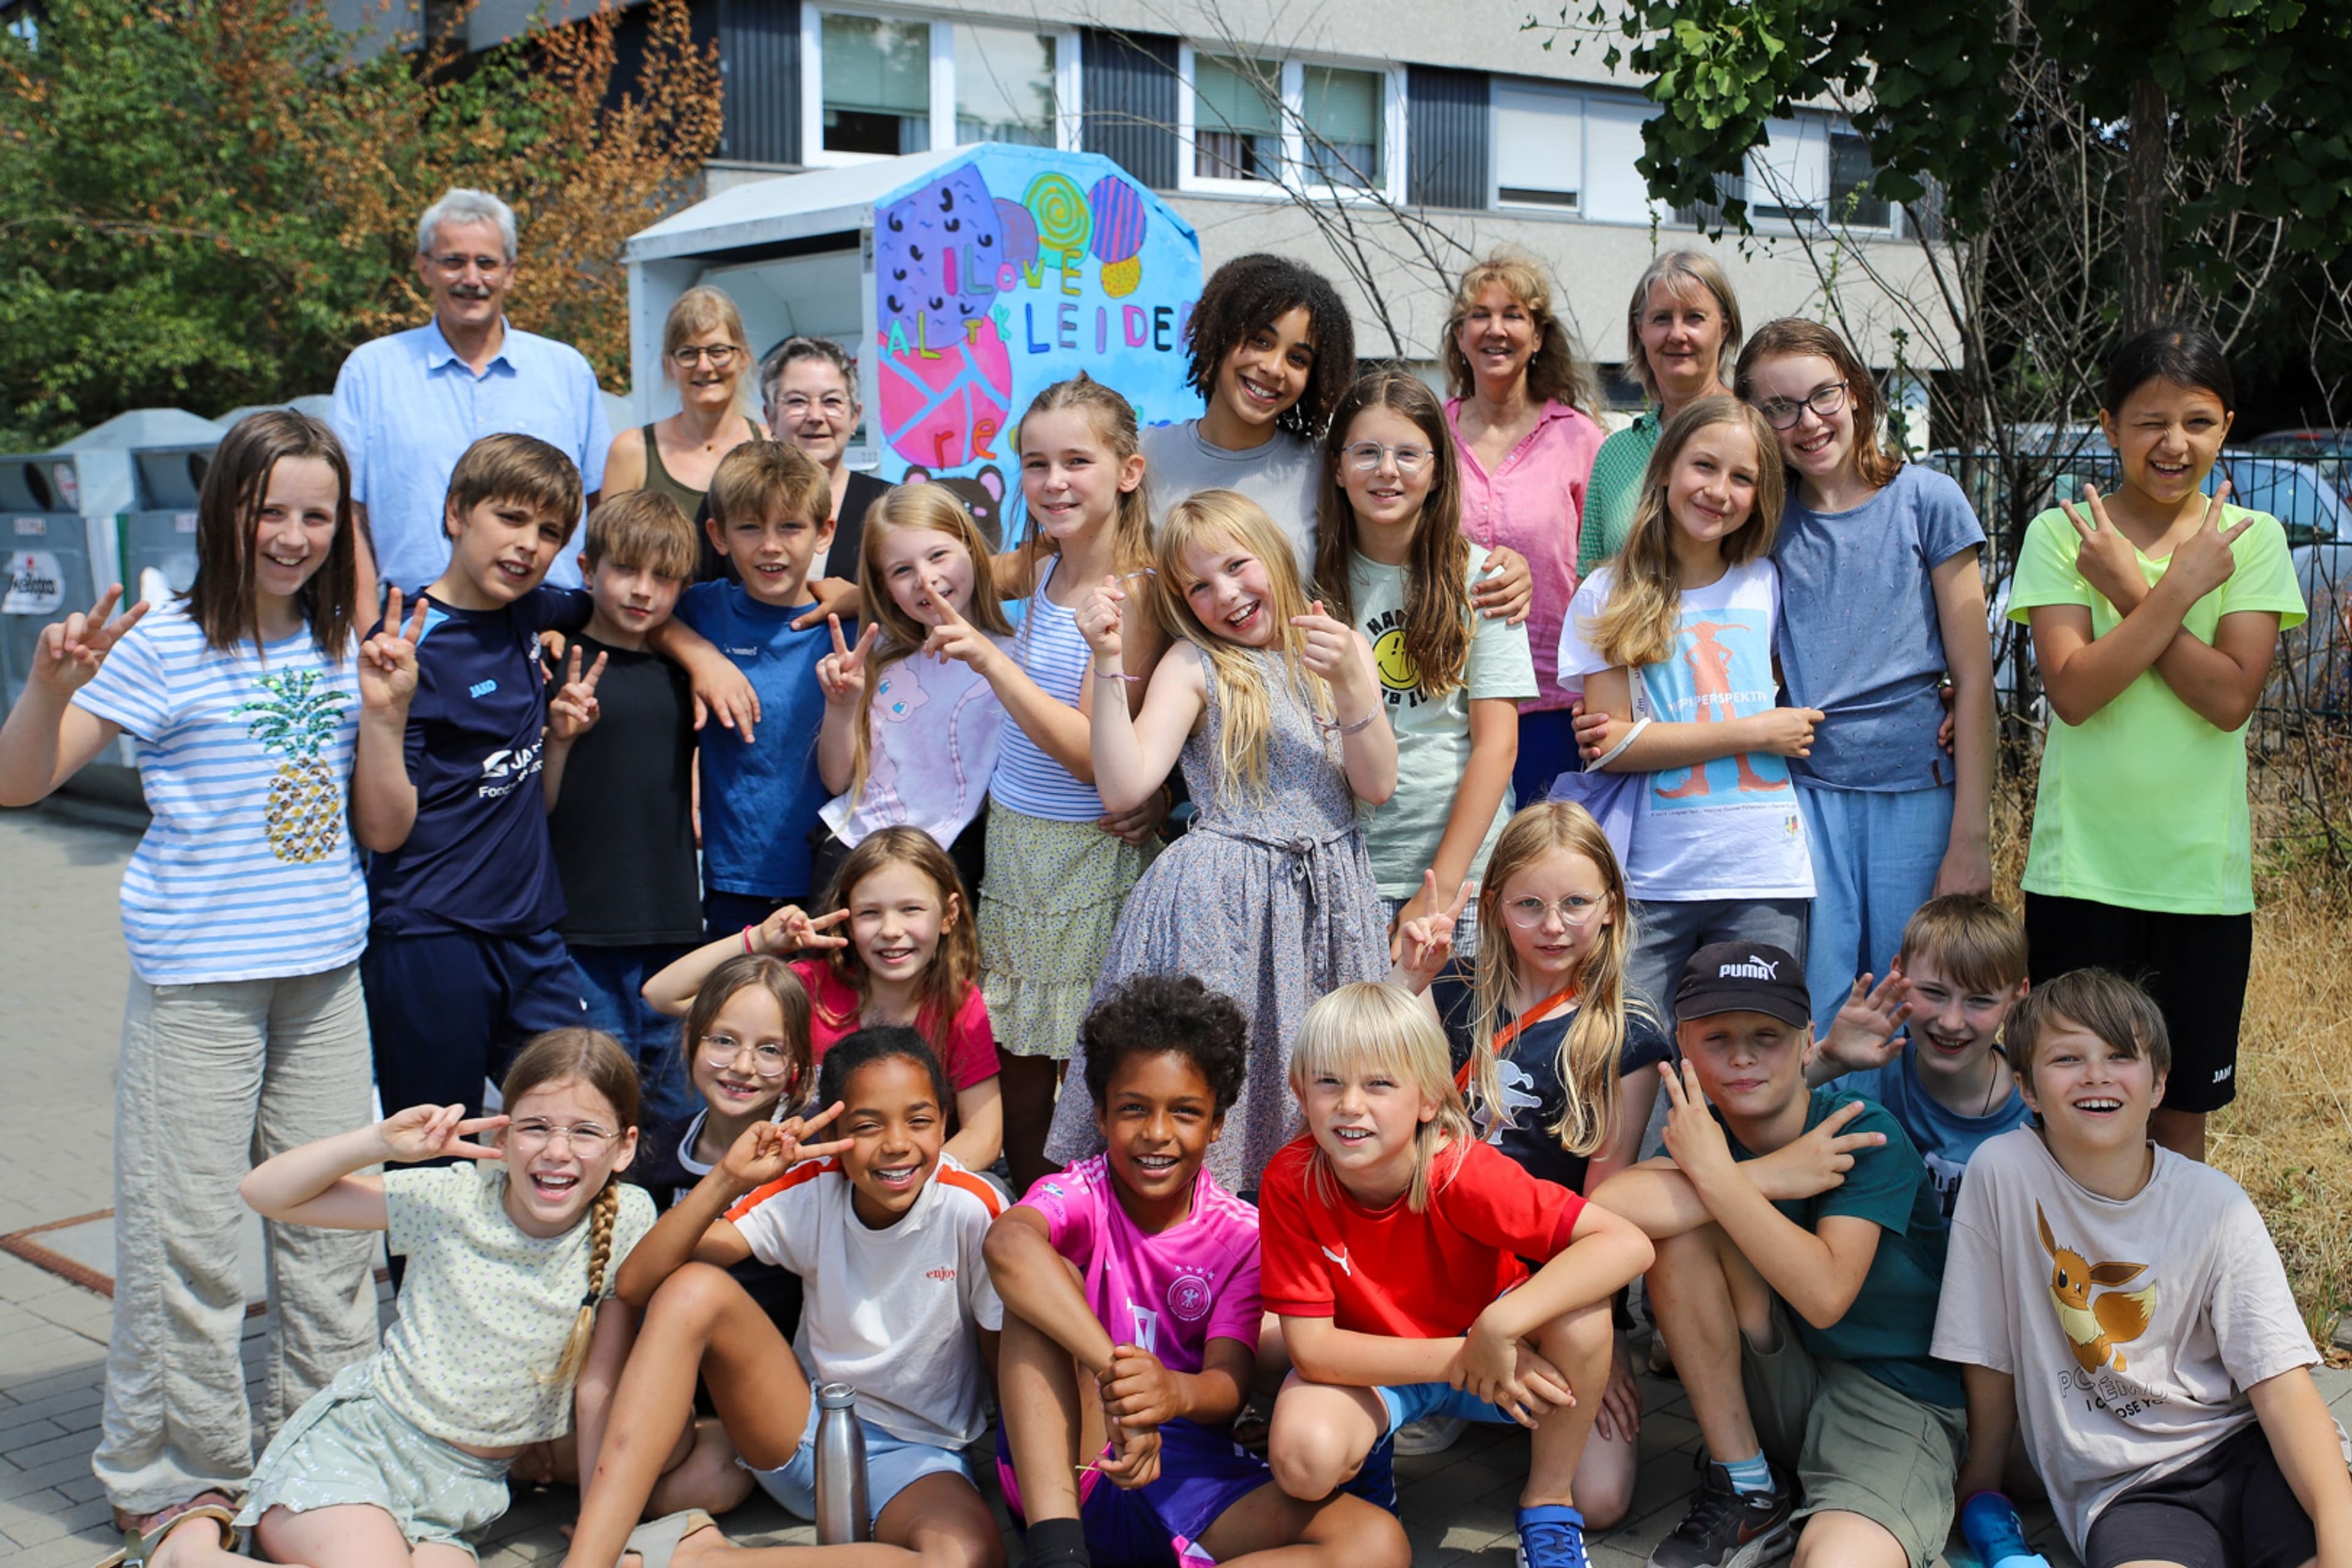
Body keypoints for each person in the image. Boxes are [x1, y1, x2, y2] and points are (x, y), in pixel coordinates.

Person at [0, 412, 380, 1547]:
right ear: (226, 513)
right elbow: (21, 786)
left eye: (318, 515)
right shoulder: (162, 640)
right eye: (273, 511)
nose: (295, 536)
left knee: (333, 1240)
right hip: (201, 983)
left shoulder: (339, 640)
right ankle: (176, 1477)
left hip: (325, 975)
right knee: (192, 1240)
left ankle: (334, 1443)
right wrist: (46, 690)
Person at [149, 1030, 655, 1568]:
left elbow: (597, 1392)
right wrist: (378, 1145)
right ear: (503, 1137)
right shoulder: (450, 1197)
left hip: (459, 1497)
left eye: (584, 1132)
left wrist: (599, 1537)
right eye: (536, 1127)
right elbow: (264, 1193)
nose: (557, 1150)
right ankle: (190, 1553)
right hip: (359, 1456)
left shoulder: (629, 1216)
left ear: (623, 1147)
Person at [351, 434, 741, 1123]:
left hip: (532, 934)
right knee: (436, 1144)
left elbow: (629, 610)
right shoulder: (410, 643)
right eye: (510, 518)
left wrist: (701, 653)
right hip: (432, 934)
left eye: (549, 531)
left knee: (586, 1112)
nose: (529, 544)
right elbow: (383, 830)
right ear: (455, 514)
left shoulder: (532, 611)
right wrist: (383, 719)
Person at [987, 973, 1410, 1568]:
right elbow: (1007, 1243)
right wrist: (1121, 1384)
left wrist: (1168, 1393)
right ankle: (1059, 1555)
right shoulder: (1079, 1194)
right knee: (1040, 1275)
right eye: (1134, 1109)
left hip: (1187, 1468)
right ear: (1103, 1115)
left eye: (1185, 1112)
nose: (1157, 1133)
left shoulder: (1242, 1234)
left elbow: (1228, 1386)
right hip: (1069, 1466)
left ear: (1215, 1125)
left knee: (1377, 1542)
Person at [1934, 969, 2352, 1568]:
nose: (2096, 1074)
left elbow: (2285, 1392)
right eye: (2068, 1057)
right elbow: (1989, 1358)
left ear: (2158, 1084)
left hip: (2251, 1450)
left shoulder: (2216, 1205)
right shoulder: (2003, 1172)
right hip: (2131, 1489)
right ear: (2025, 1087)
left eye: (2119, 1055)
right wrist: (1980, 1486)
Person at [2008, 323, 2305, 1163]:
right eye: (2150, 421)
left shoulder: (2251, 542)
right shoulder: (2064, 536)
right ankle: (2063, 1286)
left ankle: (2166, 1292)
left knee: (2178, 1118)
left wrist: (2139, 591)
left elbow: (2228, 698)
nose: (2175, 444)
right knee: (2070, 1103)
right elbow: (2074, 692)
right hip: (2080, 875)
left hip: (2200, 884)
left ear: (2226, 426)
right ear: (2109, 426)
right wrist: (2175, 593)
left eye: (2199, 422)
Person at [1049, 492, 1396, 1193]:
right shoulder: (1193, 662)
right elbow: (1125, 785)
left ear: (1272, 552)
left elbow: (1378, 785)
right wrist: (1108, 659)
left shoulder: (1342, 647)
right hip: (1221, 910)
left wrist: (1354, 687)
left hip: (1327, 903)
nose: (1227, 594)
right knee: (1209, 1088)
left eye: (1238, 566)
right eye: (1199, 586)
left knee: (1334, 1086)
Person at [557, 1030, 1008, 1568]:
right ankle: (589, 1558)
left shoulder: (972, 1209)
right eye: (867, 1126)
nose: (896, 1144)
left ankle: (698, 1561)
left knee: (966, 1558)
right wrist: (727, 1178)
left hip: (916, 1461)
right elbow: (636, 1286)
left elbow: (1003, 1357)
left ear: (944, 1120)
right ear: (835, 1130)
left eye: (919, 1120)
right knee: (691, 1288)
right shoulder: (812, 1184)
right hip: (802, 1435)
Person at [1257, 983, 1654, 1568]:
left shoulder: (1462, 1169)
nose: (1351, 1105)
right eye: (1329, 1081)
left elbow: (1628, 1243)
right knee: (1302, 1458)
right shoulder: (1290, 1178)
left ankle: (1548, 1506)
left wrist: (1500, 1325)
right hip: (1387, 1369)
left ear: (1429, 1099)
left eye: (1380, 1083)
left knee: (1584, 1316)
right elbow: (1314, 1351)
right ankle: (1370, 1481)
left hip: (1499, 1360)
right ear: (1300, 1092)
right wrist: (1466, 1354)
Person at [1593, 943, 1959, 1568]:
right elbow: (1607, 1205)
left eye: (1767, 1035)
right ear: (1684, 1043)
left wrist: (1723, 1180)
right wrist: (1763, 1176)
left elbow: (1824, 1294)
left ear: (1807, 1040)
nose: (1742, 1056)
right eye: (1718, 1038)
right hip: (1781, 1383)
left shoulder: (1857, 1128)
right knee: (1679, 1229)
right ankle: (1748, 1488)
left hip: (1893, 1399)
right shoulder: (1707, 1140)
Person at [1384, 801, 1675, 1496]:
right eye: (1529, 904)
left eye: (1576, 902)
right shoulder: (1449, 986)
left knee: (1600, 1501)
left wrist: (1606, 1346)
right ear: (1493, 906)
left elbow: (1603, 1201)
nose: (1552, 925)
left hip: (1536, 1278)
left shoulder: (1624, 1031)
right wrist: (1407, 985)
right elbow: (1386, 1108)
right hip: (1431, 1254)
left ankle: (1510, 1384)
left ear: (1611, 906)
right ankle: (1445, 1376)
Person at [1735, 318, 1996, 1030]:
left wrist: (1971, 834)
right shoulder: (1761, 520)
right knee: (1822, 1001)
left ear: (1855, 392)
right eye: (1778, 408)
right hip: (1807, 793)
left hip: (1918, 789)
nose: (1808, 421)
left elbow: (1974, 678)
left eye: (1823, 395)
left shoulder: (1928, 499)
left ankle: (1918, 1146)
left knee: (1916, 992)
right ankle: (1835, 1140)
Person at [946, 375, 1166, 1194]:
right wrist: (837, 593)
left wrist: (990, 661)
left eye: (1078, 460)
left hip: (1089, 858)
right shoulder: (1038, 561)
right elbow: (939, 576)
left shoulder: (1134, 592)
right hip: (1015, 853)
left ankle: (1087, 1239)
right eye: (1036, 465)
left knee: (1091, 1067)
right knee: (1018, 1078)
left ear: (1129, 471)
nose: (1054, 482)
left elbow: (1088, 754)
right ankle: (1032, 1231)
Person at [1557, 397, 1817, 1012]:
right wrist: (1752, 732)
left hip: (1764, 870)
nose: (1719, 491)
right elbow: (1610, 748)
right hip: (1652, 877)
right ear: (1668, 468)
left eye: (1743, 477)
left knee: (1750, 1073)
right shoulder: (1608, 593)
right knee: (1633, 1072)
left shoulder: (1769, 583)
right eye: (1705, 466)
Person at [1312, 369, 1535, 955]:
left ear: (1438, 471)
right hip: (1337, 867)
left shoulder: (1484, 580)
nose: (1387, 470)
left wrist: (1438, 888)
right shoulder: (1305, 580)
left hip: (1460, 874)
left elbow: (1497, 746)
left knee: (1449, 1047)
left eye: (1409, 454)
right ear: (1337, 468)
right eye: (1367, 452)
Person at [644, 827, 1004, 1170]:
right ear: (847, 922)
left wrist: (909, 1181)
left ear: (949, 914)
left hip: (902, 1187)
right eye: (870, 913)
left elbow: (984, 1135)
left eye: (911, 910)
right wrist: (758, 943)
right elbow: (664, 994)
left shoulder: (959, 1006)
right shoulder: (806, 989)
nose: (891, 930)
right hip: (792, 1185)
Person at [331, 188, 611, 600]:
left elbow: (601, 503)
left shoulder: (566, 372)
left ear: (511, 272)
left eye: (486, 263)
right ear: (424, 268)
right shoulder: (371, 372)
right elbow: (348, 516)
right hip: (414, 626)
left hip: (549, 627)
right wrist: (371, 627)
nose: (472, 279)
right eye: (454, 262)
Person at [545, 490, 707, 1126]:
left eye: (663, 577)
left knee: (678, 1111)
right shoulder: (555, 661)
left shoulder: (682, 673)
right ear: (587, 569)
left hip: (672, 929)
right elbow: (538, 803)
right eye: (625, 570)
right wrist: (558, 736)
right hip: (578, 930)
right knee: (595, 1106)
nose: (643, 590)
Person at [1442, 249, 1609, 807]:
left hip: (1555, 709)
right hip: (1447, 704)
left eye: (1514, 314)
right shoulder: (1428, 436)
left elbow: (1607, 577)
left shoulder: (1581, 440)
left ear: (1538, 336)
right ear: (1460, 336)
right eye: (1480, 315)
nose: (1496, 329)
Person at [813, 483, 1013, 899]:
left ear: (974, 551)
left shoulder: (1018, 657)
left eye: (939, 555)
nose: (926, 580)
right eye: (902, 570)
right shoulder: (878, 652)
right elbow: (838, 780)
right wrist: (842, 706)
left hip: (951, 866)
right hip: (853, 856)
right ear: (884, 585)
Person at [672, 439, 839, 933]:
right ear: (718, 535)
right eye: (749, 527)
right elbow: (643, 621)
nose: (770, 545)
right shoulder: (702, 611)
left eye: (790, 526)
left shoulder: (845, 623)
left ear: (824, 531)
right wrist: (700, 655)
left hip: (834, 875)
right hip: (735, 881)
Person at [1805, 894, 2032, 1217]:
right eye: (1934, 993)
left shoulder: (2039, 1102)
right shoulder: (1868, 1071)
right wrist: (1827, 1061)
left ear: (2017, 996)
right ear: (1899, 973)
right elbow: (1746, 1114)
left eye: (1980, 1001)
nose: (1951, 1022)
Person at [1139, 252, 1355, 570]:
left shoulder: (1323, 469)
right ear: (1220, 334)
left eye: (1298, 359)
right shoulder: (1143, 455)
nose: (1273, 368)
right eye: (1261, 341)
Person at [1578, 252, 1744, 577]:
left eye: (1695, 317)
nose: (1677, 334)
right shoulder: (1615, 455)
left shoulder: (1755, 440)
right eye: (1662, 318)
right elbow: (1586, 586)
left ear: (1724, 327)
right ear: (1640, 329)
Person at [603, 286, 767, 548]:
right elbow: (610, 559)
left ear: (743, 359)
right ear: (668, 365)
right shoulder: (633, 452)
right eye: (688, 354)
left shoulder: (772, 448)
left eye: (718, 351)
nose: (704, 366)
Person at [760, 334, 894, 617]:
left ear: (855, 416)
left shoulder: (892, 506)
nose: (816, 416)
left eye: (831, 401)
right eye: (797, 401)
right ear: (771, 417)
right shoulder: (737, 502)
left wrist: (863, 600)